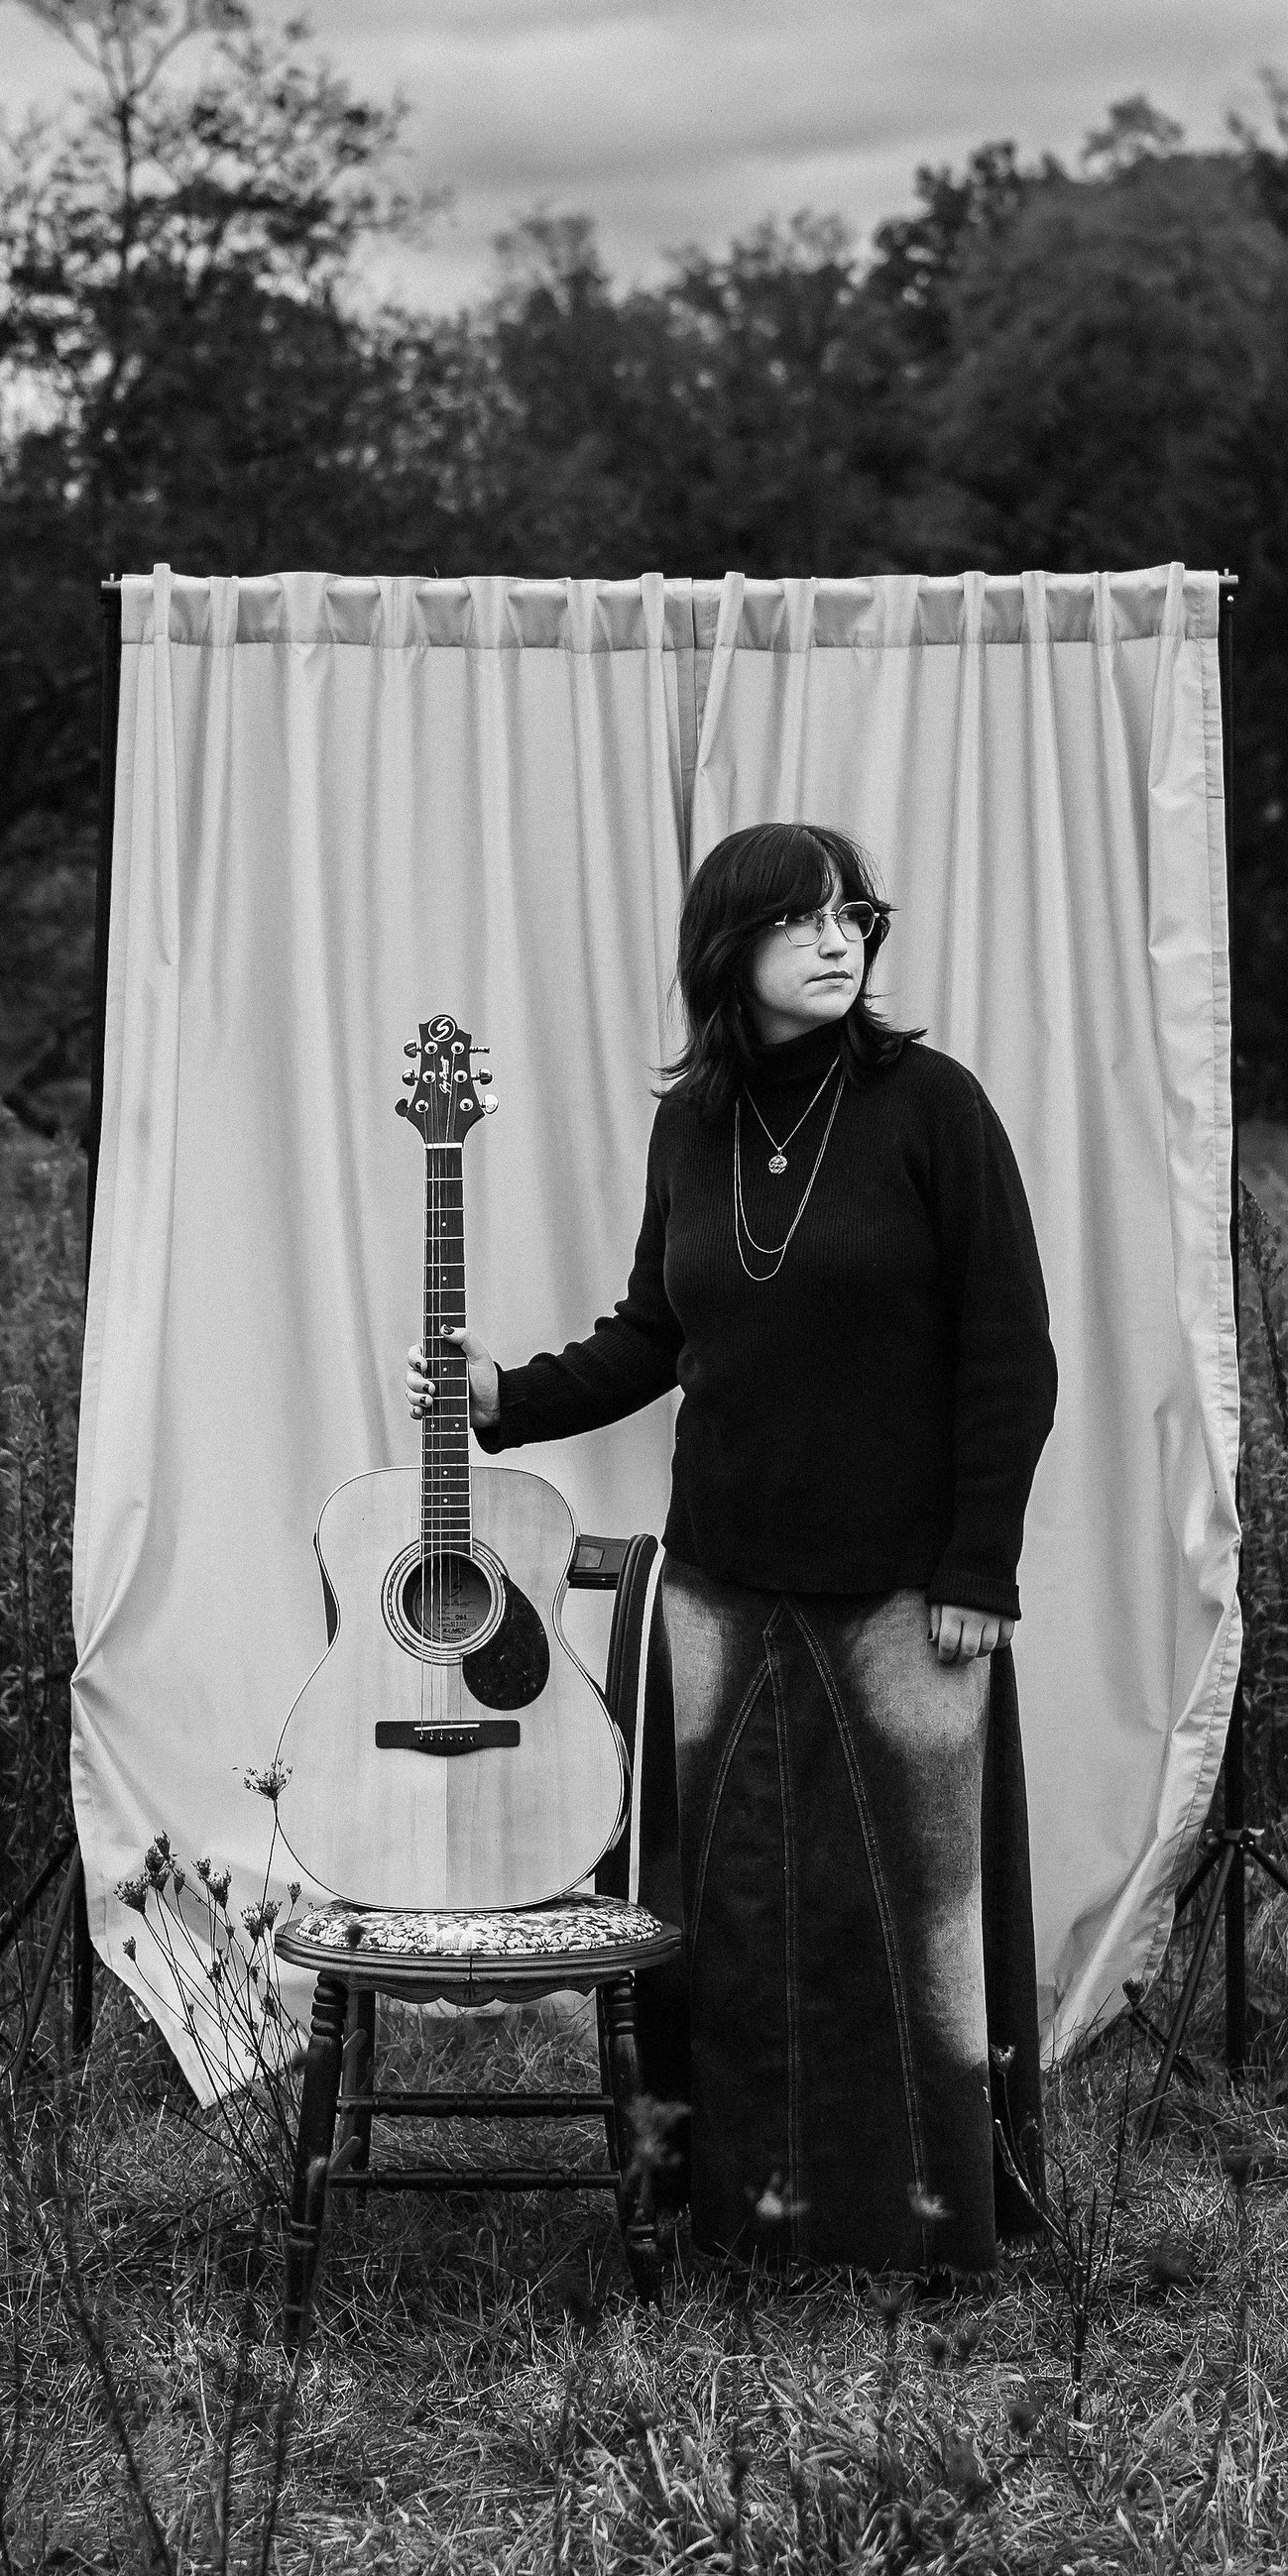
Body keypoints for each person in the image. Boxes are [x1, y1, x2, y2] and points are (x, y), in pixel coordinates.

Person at [407, 819, 1057, 2277]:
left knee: (907, 1918)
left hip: (903, 1593)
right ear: (731, 947)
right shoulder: (693, 1124)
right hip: (718, 1584)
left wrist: (978, 1565)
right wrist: (510, 1397)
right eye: (805, 921)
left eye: (856, 917)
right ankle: (724, 2220)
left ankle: (929, 2231)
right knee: (727, 1911)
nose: (840, 942)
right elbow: (659, 1330)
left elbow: (1011, 1353)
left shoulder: (933, 1107)